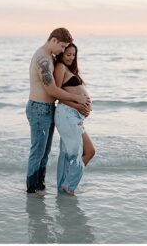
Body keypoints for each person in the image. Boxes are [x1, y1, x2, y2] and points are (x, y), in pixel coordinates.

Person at [25, 28, 91, 195]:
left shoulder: (49, 57)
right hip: (39, 108)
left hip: (47, 108)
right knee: (38, 152)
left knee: (45, 153)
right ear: (53, 40)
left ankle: (40, 186)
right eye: (62, 46)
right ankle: (32, 190)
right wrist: (78, 99)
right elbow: (53, 90)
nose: (63, 51)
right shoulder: (43, 60)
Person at [52, 43, 94, 195]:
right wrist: (77, 106)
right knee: (75, 154)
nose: (71, 57)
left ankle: (64, 185)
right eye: (68, 54)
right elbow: (56, 94)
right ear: (62, 54)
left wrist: (82, 108)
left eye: (73, 54)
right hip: (67, 114)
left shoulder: (70, 70)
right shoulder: (60, 67)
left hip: (75, 117)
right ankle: (69, 187)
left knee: (89, 151)